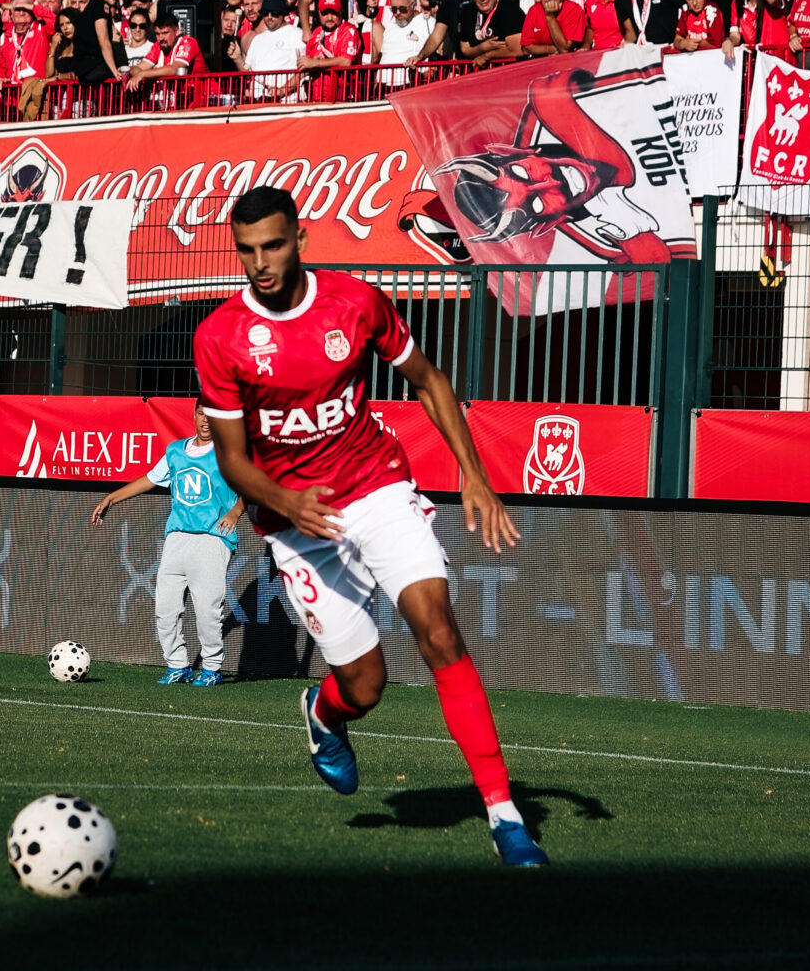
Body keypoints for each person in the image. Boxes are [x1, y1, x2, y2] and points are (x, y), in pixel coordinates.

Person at [194, 183, 548, 868]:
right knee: (365, 685)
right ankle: (324, 714)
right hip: (297, 522)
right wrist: (287, 501)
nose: (260, 263)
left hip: (376, 484)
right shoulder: (220, 337)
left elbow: (428, 379)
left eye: (273, 245)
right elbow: (232, 459)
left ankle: (505, 817)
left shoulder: (355, 303)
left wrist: (473, 473)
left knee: (438, 629)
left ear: (301, 240)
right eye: (247, 250)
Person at [90, 401, 244, 686]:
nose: (206, 421)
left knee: (207, 611)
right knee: (166, 608)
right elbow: (150, 480)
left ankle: (211, 668)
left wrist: (236, 511)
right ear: (194, 415)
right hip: (176, 539)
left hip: (212, 539)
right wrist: (111, 498)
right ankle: (177, 664)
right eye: (201, 414)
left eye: (212, 416)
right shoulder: (175, 452)